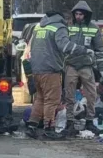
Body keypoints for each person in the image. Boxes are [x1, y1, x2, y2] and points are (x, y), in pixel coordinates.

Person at [25, 11, 88, 140]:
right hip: (50, 69)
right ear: (64, 18)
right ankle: (49, 128)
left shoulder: (39, 26)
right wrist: (84, 50)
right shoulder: (59, 27)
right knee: (52, 100)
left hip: (36, 69)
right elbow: (65, 46)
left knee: (40, 99)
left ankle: (32, 126)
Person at [64, 1, 103, 135]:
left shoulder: (94, 28)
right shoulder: (68, 27)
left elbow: (100, 50)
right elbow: (62, 46)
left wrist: (101, 69)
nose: (78, 16)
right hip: (71, 65)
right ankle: (69, 122)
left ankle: (89, 121)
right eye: (76, 14)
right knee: (69, 94)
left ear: (86, 15)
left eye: (81, 14)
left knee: (91, 95)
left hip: (87, 66)